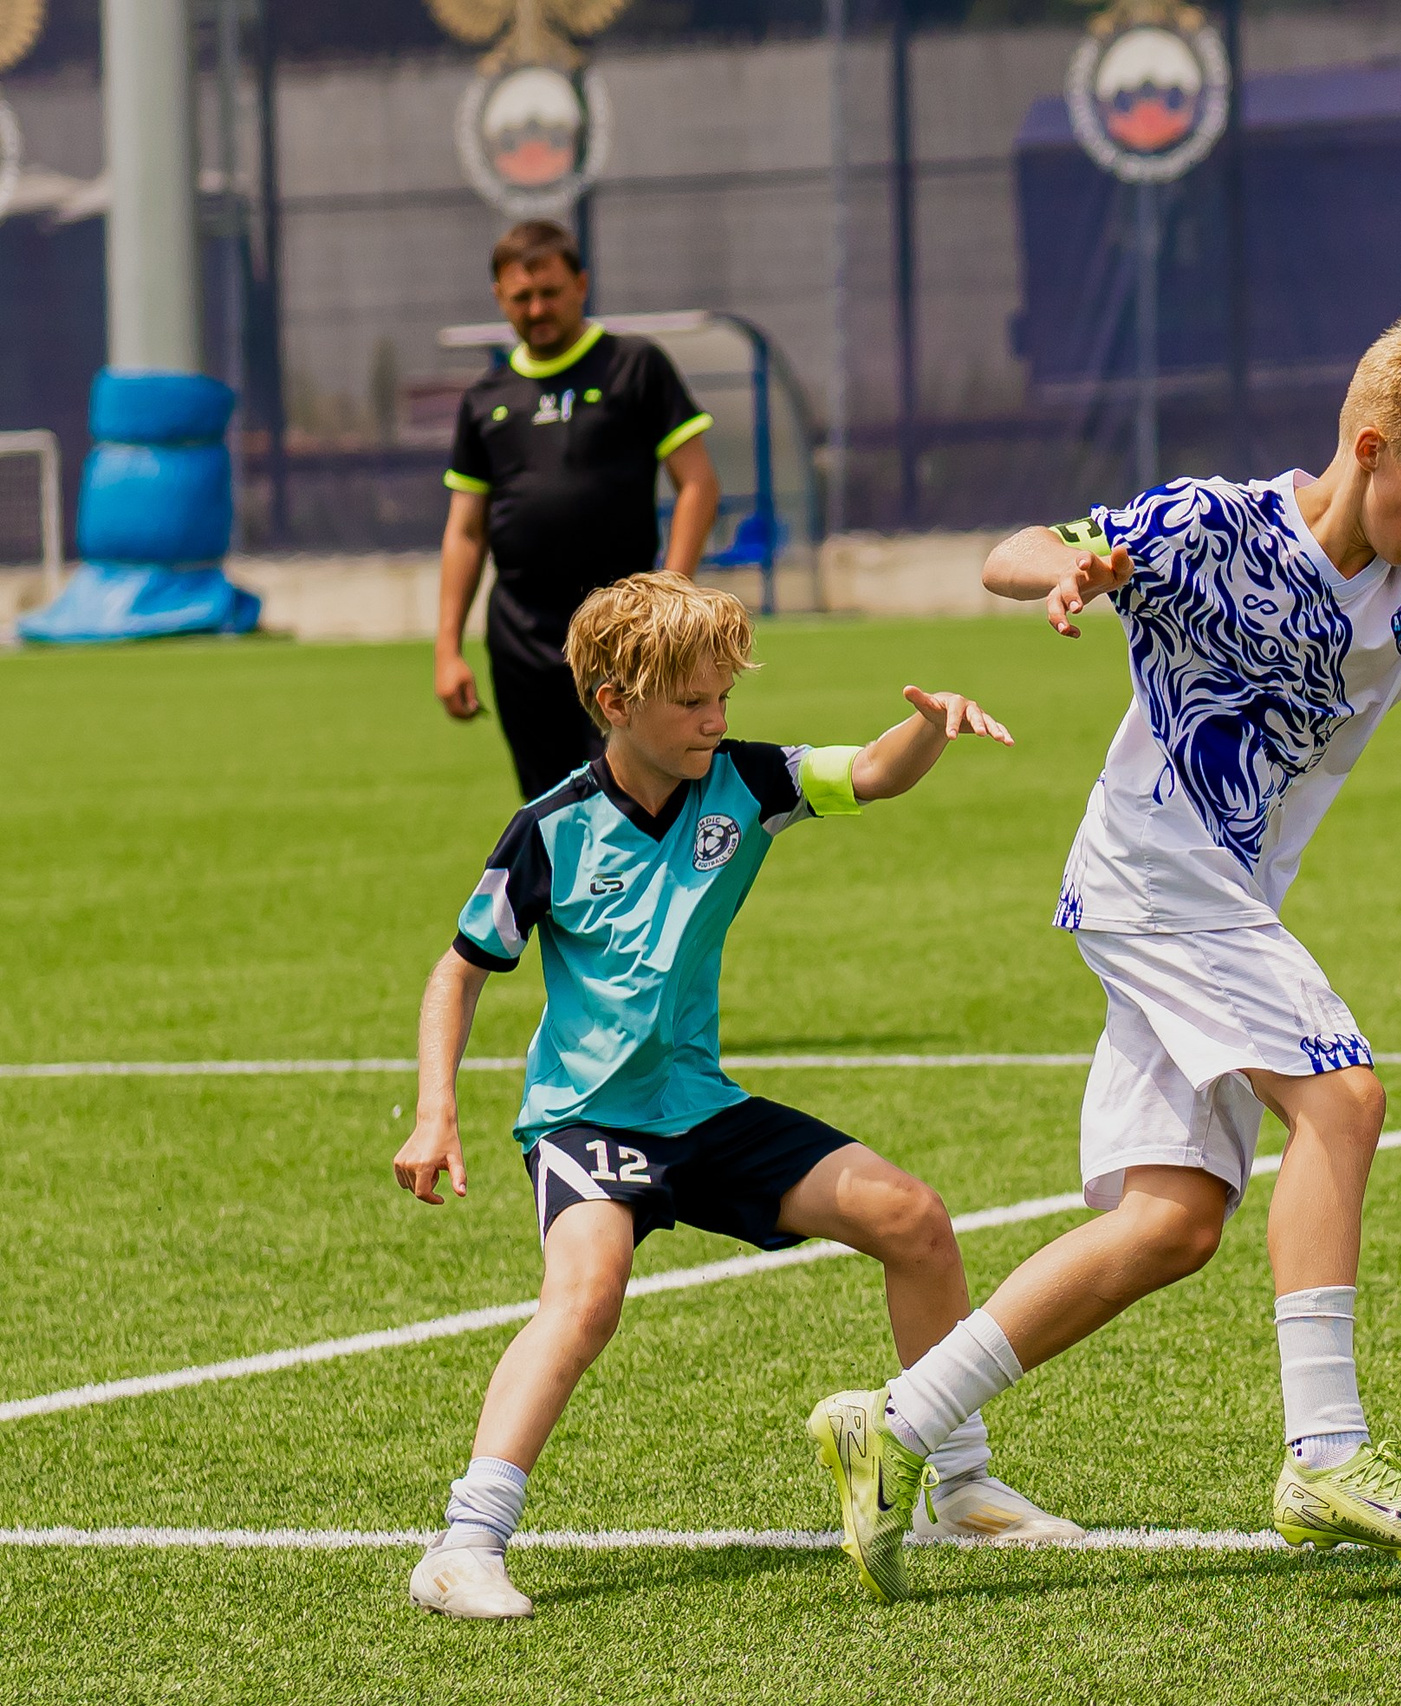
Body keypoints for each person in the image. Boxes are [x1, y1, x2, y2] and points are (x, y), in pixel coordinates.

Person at [803, 314, 1401, 1603]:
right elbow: (1022, 548)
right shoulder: (1214, 524)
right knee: (1342, 1096)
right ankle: (1324, 1452)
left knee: (1171, 1225)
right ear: (1369, 444)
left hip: (1210, 899)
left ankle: (892, 1423)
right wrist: (1071, 571)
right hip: (1157, 880)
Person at [395, 572, 1080, 1621]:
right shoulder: (551, 828)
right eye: (692, 702)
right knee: (585, 1300)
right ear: (616, 703)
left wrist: (931, 730)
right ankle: (464, 1543)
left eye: (724, 696)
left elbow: (871, 772)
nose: (717, 719)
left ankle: (960, 1484)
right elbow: (461, 967)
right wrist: (435, 1110)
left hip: (701, 1108)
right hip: (589, 1119)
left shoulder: (745, 781)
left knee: (914, 1218)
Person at [435, 220, 724, 800]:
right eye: (522, 297)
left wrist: (668, 593)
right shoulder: (485, 399)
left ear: (581, 285)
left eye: (550, 293)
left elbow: (698, 484)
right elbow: (465, 533)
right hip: (521, 635)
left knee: (637, 794)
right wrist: (447, 649)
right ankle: (567, 897)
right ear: (500, 298)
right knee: (551, 809)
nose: (537, 308)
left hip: (623, 632)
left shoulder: (635, 366)